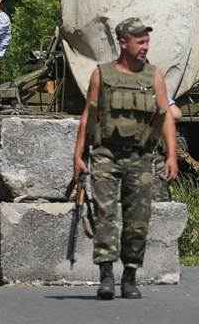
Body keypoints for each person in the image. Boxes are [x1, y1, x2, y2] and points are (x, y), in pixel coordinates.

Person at [73, 17, 178, 300]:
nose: (145, 46)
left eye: (147, 41)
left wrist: (172, 156)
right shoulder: (102, 74)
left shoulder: (153, 76)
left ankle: (130, 276)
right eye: (140, 41)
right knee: (105, 215)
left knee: (138, 219)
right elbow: (88, 115)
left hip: (140, 156)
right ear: (123, 42)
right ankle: (106, 276)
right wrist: (78, 155)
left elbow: (166, 117)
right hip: (106, 153)